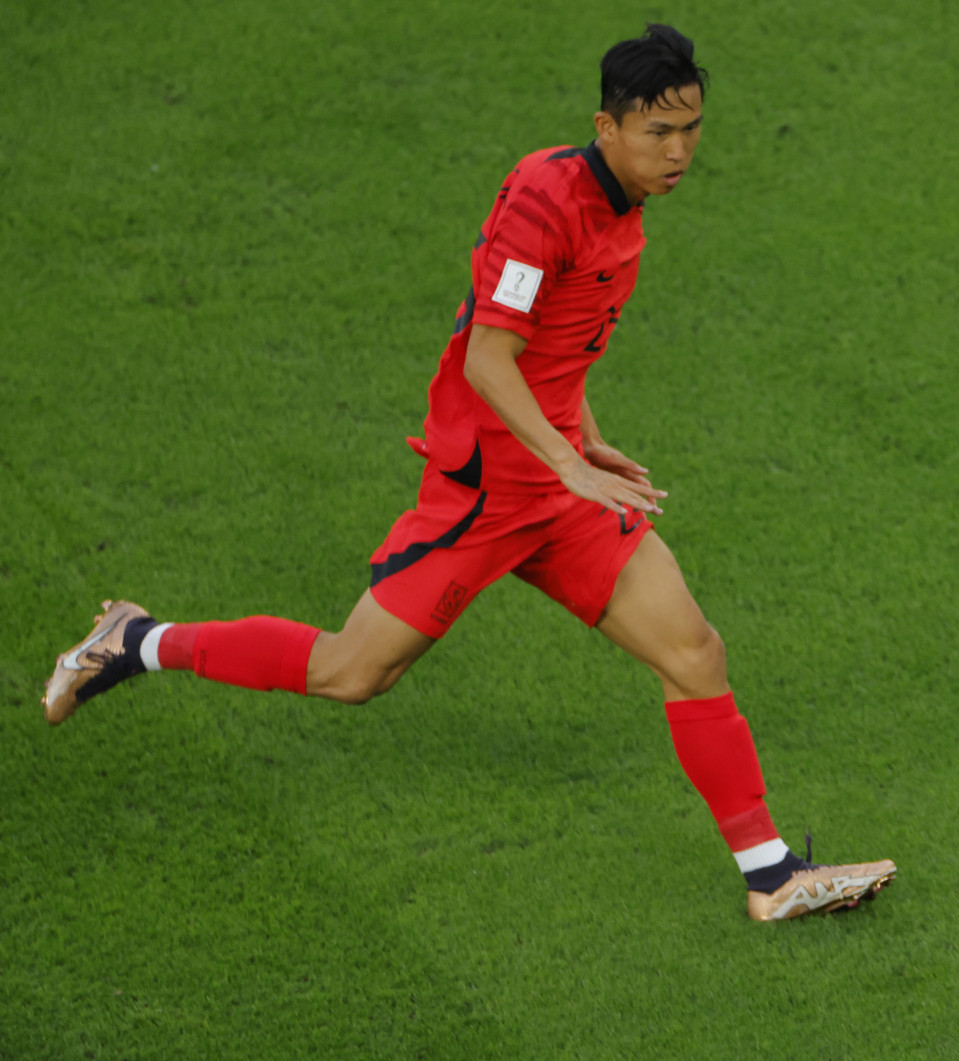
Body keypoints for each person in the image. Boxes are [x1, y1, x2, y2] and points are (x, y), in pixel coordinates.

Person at [42, 26, 895, 922]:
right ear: (606, 126)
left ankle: (771, 879)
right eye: (657, 132)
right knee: (351, 673)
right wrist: (568, 460)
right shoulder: (544, 199)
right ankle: (132, 641)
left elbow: (554, 353)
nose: (677, 151)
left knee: (693, 652)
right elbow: (490, 358)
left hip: (560, 488)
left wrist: (586, 439)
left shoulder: (623, 210)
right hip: (489, 494)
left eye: (690, 130)